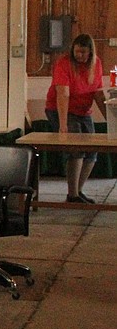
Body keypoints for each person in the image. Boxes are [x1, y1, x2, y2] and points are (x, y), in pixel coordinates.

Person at [44, 32, 107, 203]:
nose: (79, 56)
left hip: (83, 111)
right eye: (77, 52)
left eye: (83, 53)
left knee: (93, 150)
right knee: (76, 149)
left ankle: (78, 191)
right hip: (60, 109)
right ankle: (72, 195)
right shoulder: (64, 63)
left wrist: (110, 119)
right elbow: (63, 95)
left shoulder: (97, 64)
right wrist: (63, 126)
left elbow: (98, 94)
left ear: (90, 53)